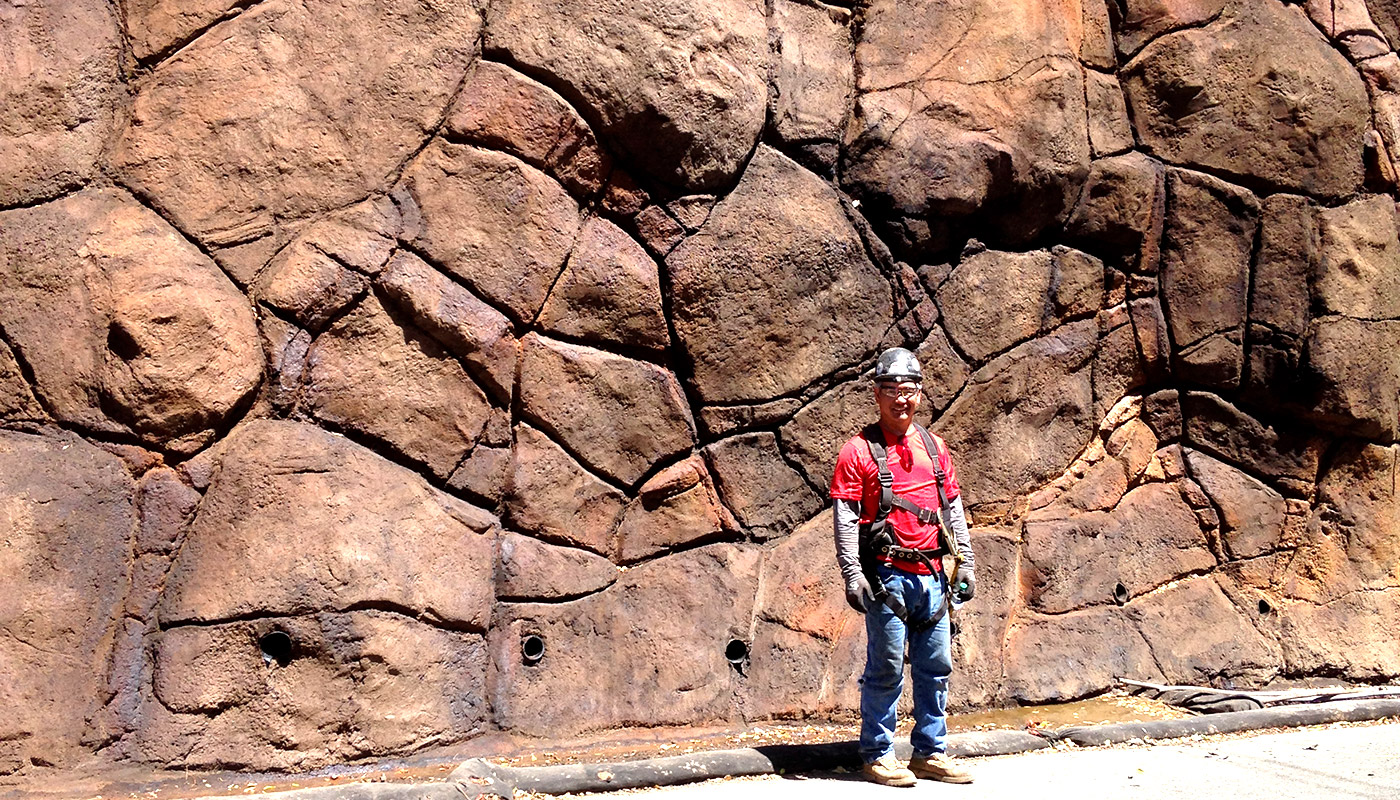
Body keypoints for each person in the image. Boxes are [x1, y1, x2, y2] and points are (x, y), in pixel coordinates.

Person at [829, 346, 976, 787]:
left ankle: (930, 752)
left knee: (936, 667)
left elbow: (953, 506)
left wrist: (964, 561)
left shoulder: (935, 446)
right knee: (887, 668)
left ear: (920, 394)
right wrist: (853, 573)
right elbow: (845, 517)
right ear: (876, 394)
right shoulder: (858, 452)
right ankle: (877, 754)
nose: (901, 399)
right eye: (891, 390)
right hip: (887, 577)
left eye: (909, 390)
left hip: (932, 576)